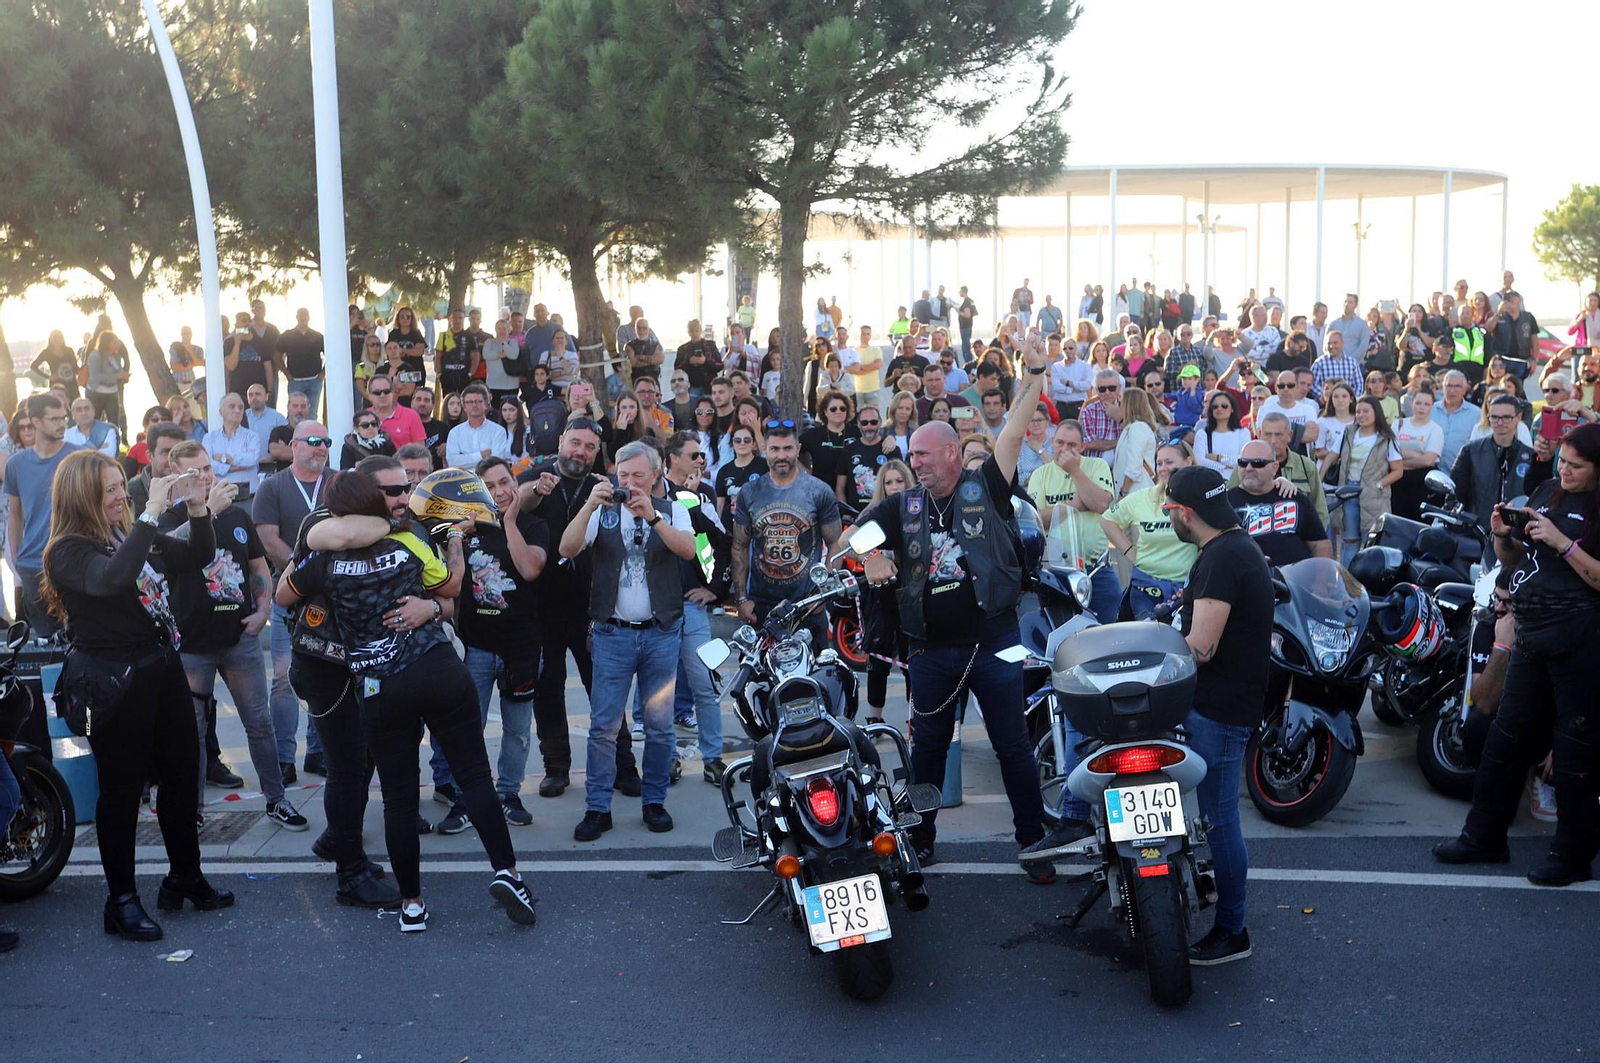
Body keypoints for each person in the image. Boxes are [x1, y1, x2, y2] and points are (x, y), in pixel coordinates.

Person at [281, 466, 536, 931]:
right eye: (394, 491)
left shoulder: (323, 556)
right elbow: (455, 587)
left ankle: (412, 906)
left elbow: (283, 594)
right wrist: (455, 545)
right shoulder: (407, 541)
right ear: (373, 499)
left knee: (398, 800)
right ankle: (509, 875)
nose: (404, 497)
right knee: (476, 779)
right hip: (434, 670)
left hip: (378, 687)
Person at [850, 332, 1051, 879]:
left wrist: (1032, 375)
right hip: (931, 651)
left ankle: (1033, 843)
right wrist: (869, 560)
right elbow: (853, 537)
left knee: (1014, 746)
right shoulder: (902, 504)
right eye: (910, 454)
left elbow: (1011, 432)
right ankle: (921, 838)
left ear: (950, 453)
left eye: (921, 453)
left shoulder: (986, 484)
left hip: (997, 641)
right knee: (929, 750)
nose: (913, 461)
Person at [42, 450, 231, 941]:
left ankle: (184, 876)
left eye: (119, 485)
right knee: (123, 791)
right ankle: (120, 901)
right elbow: (113, 579)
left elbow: (198, 555)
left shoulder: (125, 534)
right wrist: (150, 513)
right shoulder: (68, 549)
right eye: (108, 489)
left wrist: (196, 509)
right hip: (113, 680)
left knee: (182, 776)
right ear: (82, 495)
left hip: (161, 668)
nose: (120, 494)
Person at [1434, 424, 1600, 887]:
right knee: (1504, 739)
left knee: (1574, 751)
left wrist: (1563, 543)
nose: (1563, 470)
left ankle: (1572, 855)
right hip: (1532, 631)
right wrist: (1502, 535)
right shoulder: (1548, 490)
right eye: (1561, 461)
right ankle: (1483, 836)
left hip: (1582, 639)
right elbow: (1512, 560)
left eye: (1575, 466)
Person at [556, 441, 697, 840]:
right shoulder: (604, 513)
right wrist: (588, 505)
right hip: (612, 634)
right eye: (623, 475)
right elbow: (566, 548)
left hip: (661, 633)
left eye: (638, 475)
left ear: (655, 475)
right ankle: (598, 808)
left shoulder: (673, 510)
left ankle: (654, 803)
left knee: (659, 726)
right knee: (602, 727)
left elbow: (688, 551)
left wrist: (652, 517)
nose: (630, 483)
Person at [159, 441, 305, 828]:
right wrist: (206, 513)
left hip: (239, 638)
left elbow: (258, 567)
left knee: (259, 722)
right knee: (191, 732)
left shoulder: (237, 517)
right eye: (194, 473)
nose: (205, 477)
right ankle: (193, 812)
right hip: (191, 644)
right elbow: (163, 550)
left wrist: (262, 610)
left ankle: (276, 799)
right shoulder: (166, 520)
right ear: (175, 476)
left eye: (207, 468)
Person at [1164, 465, 1274, 964]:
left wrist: (1151, 661)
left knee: (1220, 819)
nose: (1167, 515)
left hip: (1221, 708)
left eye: (1169, 509)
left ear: (1187, 513)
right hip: (1222, 703)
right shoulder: (1232, 546)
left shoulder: (1220, 557)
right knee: (1213, 815)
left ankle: (1233, 929)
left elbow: (1202, 647)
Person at [431, 457, 551, 830]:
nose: (499, 492)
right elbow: (445, 579)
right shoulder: (463, 530)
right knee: (469, 727)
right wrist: (458, 533)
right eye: (490, 486)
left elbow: (531, 569)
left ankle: (509, 793)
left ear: (515, 484)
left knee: (517, 729)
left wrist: (510, 522)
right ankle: (467, 797)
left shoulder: (534, 524)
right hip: (477, 646)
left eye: (504, 483)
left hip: (523, 647)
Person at [518, 418, 624, 798]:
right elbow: (522, 501)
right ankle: (556, 768)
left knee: (605, 691)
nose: (580, 451)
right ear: (561, 440)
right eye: (575, 443)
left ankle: (622, 766)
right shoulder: (536, 476)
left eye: (589, 447)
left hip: (592, 608)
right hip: (542, 606)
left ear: (597, 453)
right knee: (548, 690)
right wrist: (536, 489)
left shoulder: (603, 487)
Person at [250, 421, 336, 780]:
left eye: (326, 442)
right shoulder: (272, 487)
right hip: (290, 594)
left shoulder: (337, 481)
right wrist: (303, 570)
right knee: (285, 678)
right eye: (314, 441)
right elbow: (267, 540)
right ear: (294, 445)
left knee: (330, 673)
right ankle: (285, 759)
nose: (321, 447)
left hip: (332, 596)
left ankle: (318, 752)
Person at [730, 422, 844, 636]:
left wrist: (822, 596)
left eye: (787, 448)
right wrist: (741, 599)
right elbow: (739, 546)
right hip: (761, 606)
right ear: (765, 450)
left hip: (807, 604)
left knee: (811, 670)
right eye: (775, 449)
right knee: (759, 670)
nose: (781, 455)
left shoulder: (819, 491)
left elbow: (835, 543)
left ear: (798, 449)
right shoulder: (750, 492)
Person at [661, 432, 731, 782]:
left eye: (702, 455)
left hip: (690, 607)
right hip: (655, 610)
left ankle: (713, 759)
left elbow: (721, 543)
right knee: (658, 690)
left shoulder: (695, 498)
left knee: (703, 683)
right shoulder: (649, 495)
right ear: (671, 457)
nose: (700, 460)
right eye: (693, 455)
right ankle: (666, 759)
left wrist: (713, 590)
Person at [1029, 420, 1119, 622]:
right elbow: (1038, 520)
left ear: (1083, 447)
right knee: (1062, 634)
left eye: (1072, 445)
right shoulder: (1040, 475)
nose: (1064, 450)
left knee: (1106, 634)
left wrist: (1075, 471)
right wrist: (1078, 503)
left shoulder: (1097, 465)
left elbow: (1101, 503)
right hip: (1057, 572)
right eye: (1060, 443)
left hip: (1098, 570)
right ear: (1052, 441)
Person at [6, 395, 79, 632]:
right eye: (55, 418)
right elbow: (15, 515)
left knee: (80, 635)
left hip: (72, 560)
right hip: (32, 566)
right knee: (46, 645)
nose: (62, 423)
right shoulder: (16, 464)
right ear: (35, 421)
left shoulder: (79, 458)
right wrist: (17, 560)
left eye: (64, 418)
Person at [1102, 441, 1199, 618]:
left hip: (1187, 591)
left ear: (1188, 461)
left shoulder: (1201, 497)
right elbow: (1107, 519)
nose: (1162, 468)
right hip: (1145, 589)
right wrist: (1130, 551)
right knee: (1150, 643)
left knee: (1179, 644)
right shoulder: (1143, 497)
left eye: (1169, 462)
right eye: (1159, 463)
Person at [1449, 393, 1545, 544]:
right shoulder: (1470, 451)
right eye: (1495, 417)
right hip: (1476, 532)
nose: (1500, 422)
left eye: (1506, 417)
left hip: (1516, 536)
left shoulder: (1531, 455)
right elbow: (1455, 493)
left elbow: (1539, 497)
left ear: (1518, 418)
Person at [1227, 440, 1332, 564]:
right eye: (1243, 463)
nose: (1249, 468)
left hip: (1294, 579)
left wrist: (1321, 581)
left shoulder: (1295, 497)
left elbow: (1320, 544)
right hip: (1245, 580)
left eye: (1258, 463)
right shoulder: (1225, 503)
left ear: (1274, 467)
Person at [1331, 396, 1404, 565]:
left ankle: (1367, 585)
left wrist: (1378, 485)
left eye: (1365, 411)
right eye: (1358, 411)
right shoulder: (1348, 432)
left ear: (1376, 413)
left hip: (1373, 495)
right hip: (1348, 491)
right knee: (1349, 541)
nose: (1361, 415)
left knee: (1371, 541)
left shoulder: (1387, 438)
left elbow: (1398, 471)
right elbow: (1332, 456)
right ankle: (1347, 583)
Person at [1237, 411, 1330, 527]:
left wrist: (1314, 540)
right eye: (1267, 434)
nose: (1273, 441)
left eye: (1278, 435)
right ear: (1260, 434)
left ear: (1289, 435)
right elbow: (1231, 501)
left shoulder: (1306, 466)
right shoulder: (1246, 465)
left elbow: (1320, 510)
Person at [1392, 384, 1445, 520]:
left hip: (1422, 484)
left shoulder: (1435, 429)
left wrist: (1400, 462)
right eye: (1418, 403)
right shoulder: (1399, 424)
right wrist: (1416, 455)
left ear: (1432, 406)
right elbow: (1390, 452)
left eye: (1426, 404)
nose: (1422, 407)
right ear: (1412, 403)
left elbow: (1428, 460)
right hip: (1397, 483)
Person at [1113, 388, 1162, 499]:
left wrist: (1123, 493)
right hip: (1133, 493)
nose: (1118, 407)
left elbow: (1134, 466)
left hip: (1136, 493)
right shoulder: (1132, 427)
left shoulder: (1138, 427)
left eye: (1120, 403)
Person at [446, 384, 510, 468]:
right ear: (464, 406)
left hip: (488, 479)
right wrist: (481, 455)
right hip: (463, 479)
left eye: (478, 401)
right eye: (470, 402)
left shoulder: (498, 431)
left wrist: (464, 459)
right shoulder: (455, 433)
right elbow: (453, 462)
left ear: (486, 404)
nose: (474, 405)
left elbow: (496, 462)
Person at [277, 308, 325, 418]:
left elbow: (330, 354)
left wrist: (322, 374)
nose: (303, 317)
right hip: (295, 382)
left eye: (305, 315)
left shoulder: (317, 336)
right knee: (294, 414)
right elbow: (277, 355)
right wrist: (287, 374)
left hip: (314, 381)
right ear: (296, 317)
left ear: (309, 317)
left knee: (312, 413)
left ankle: (311, 435)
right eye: (300, 315)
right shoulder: (287, 335)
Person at [367, 371, 426, 447]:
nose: (382, 395)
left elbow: (420, 449)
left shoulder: (411, 416)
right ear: (370, 396)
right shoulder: (364, 417)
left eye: (386, 391)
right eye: (377, 392)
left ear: (392, 392)